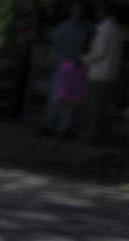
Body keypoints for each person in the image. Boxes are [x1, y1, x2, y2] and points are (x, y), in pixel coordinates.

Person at [42, 2, 93, 136]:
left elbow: (91, 46)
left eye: (80, 10)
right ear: (71, 11)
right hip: (63, 66)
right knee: (56, 97)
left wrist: (82, 59)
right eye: (75, 10)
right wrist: (62, 60)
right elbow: (55, 48)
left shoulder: (87, 28)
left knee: (71, 99)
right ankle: (50, 125)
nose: (78, 13)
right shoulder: (64, 28)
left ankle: (65, 128)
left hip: (78, 67)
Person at [82, 2, 123, 143]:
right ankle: (102, 137)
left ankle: (92, 137)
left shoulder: (103, 29)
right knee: (104, 110)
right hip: (110, 75)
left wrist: (84, 59)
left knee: (95, 110)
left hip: (98, 74)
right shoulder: (117, 29)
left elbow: (99, 52)